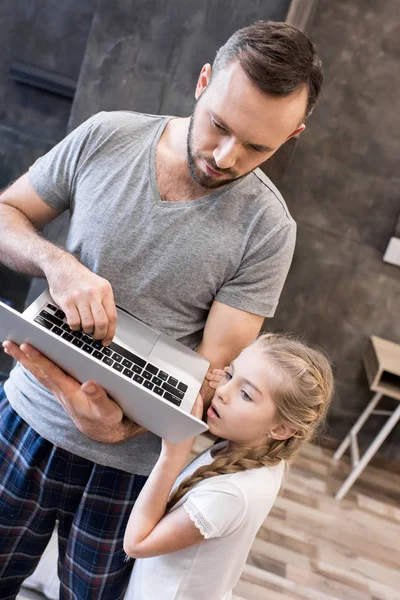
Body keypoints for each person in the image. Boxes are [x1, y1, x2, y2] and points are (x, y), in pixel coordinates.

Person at [0, 20, 323, 599]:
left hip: (131, 472)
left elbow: (207, 375)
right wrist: (59, 264)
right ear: (203, 81)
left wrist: (118, 426)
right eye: (220, 127)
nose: (226, 156)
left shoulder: (269, 230)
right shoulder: (106, 136)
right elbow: (7, 216)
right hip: (22, 419)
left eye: (257, 147)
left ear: (293, 134)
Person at [3, 332, 334, 600]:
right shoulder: (263, 456)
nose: (221, 392)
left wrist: (172, 454)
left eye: (246, 394)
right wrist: (237, 384)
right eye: (229, 374)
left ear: (281, 429)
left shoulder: (228, 495)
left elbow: (137, 544)